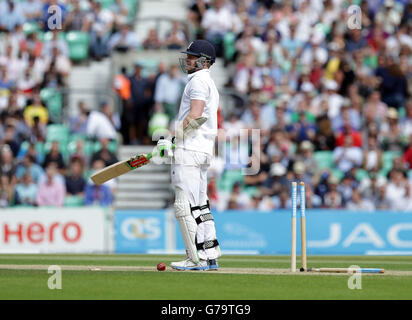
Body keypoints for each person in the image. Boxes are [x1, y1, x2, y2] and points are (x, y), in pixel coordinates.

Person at [156, 39, 221, 270]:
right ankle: (209, 254)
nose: (188, 60)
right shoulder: (208, 82)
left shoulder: (198, 81)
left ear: (204, 61)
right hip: (201, 150)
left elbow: (194, 115)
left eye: (192, 56)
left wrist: (172, 140)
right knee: (201, 205)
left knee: (185, 205)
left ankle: (195, 258)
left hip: (190, 149)